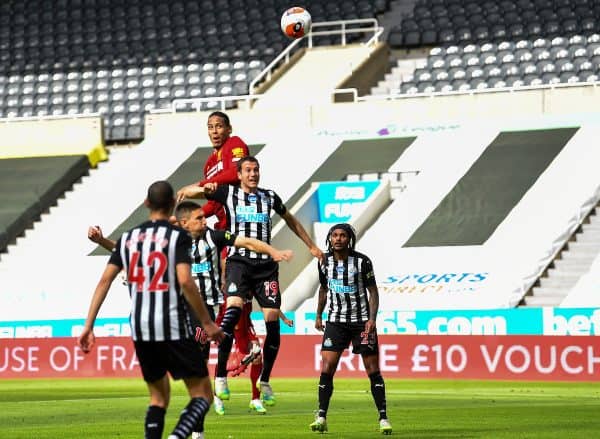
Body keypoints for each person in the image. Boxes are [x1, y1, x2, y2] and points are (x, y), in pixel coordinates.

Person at [78, 181, 224, 439]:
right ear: (171, 207)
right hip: (172, 324)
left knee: (158, 398)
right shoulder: (177, 237)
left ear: (146, 204)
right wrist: (207, 322)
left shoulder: (128, 239)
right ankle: (178, 436)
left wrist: (89, 325)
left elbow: (105, 281)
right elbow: (185, 281)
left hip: (141, 327)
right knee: (202, 394)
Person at [176, 155, 323, 407]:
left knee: (273, 323)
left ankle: (264, 381)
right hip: (239, 263)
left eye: (256, 170)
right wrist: (197, 189)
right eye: (248, 170)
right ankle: (220, 375)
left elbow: (290, 220)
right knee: (231, 312)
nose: (253, 174)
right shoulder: (227, 193)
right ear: (239, 174)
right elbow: (190, 192)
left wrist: (311, 245)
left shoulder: (270, 197)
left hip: (266, 267)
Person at [309, 223, 392, 435]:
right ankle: (321, 416)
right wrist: (319, 315)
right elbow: (324, 289)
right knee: (327, 367)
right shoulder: (324, 262)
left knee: (373, 370)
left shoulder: (362, 262)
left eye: (342, 235)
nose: (338, 239)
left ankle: (383, 417)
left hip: (361, 321)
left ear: (349, 239)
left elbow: (373, 292)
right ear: (330, 238)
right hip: (335, 321)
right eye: (334, 235)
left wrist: (372, 319)